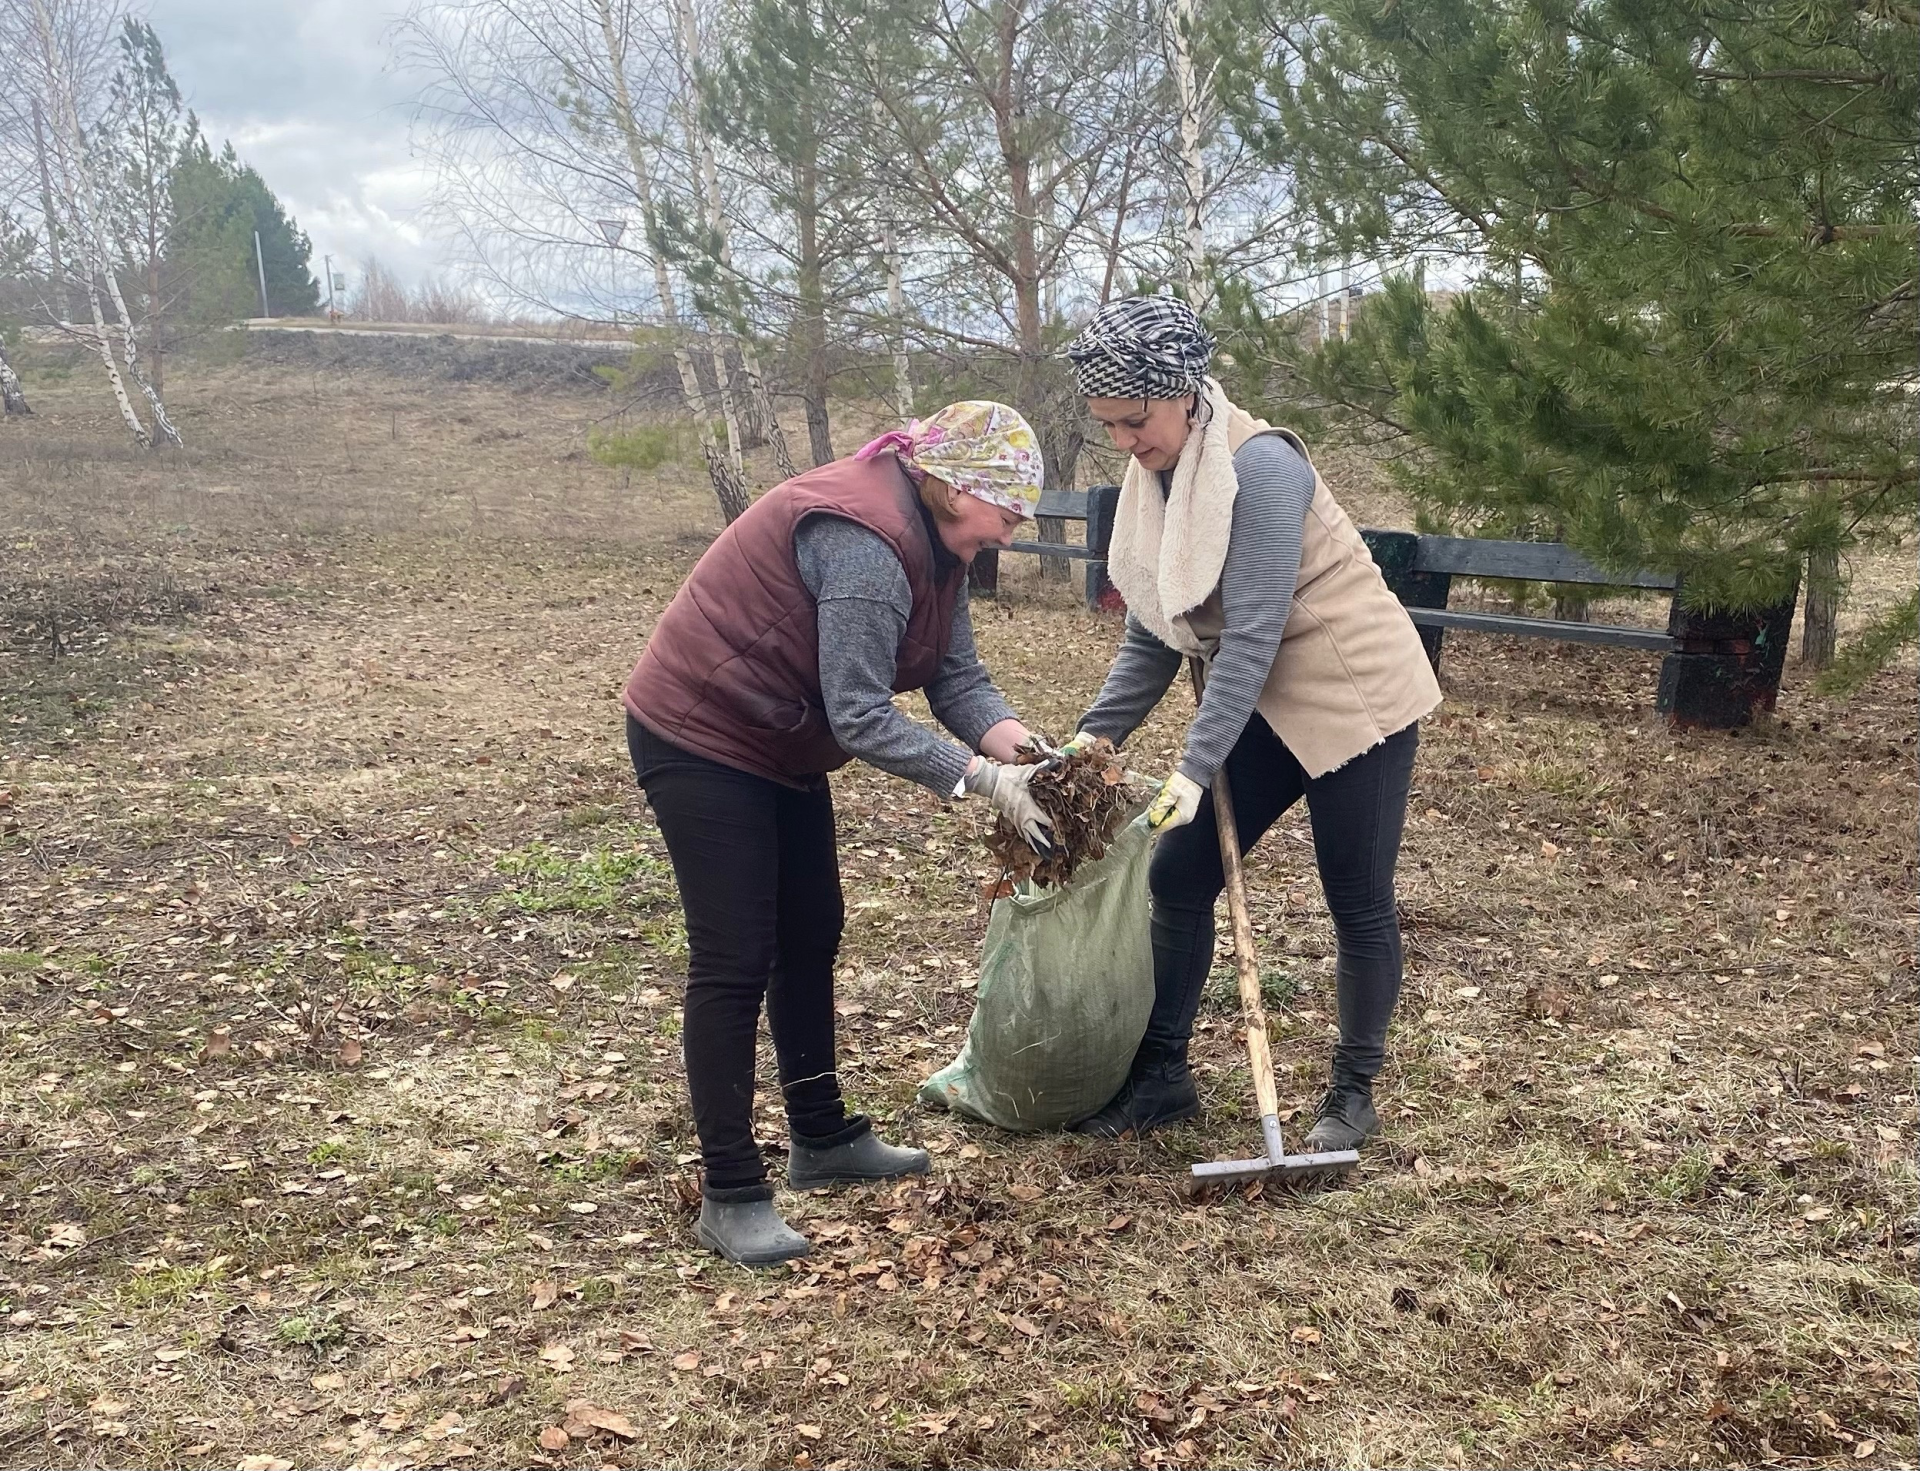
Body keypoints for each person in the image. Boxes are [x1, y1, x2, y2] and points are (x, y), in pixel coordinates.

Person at [622, 401, 1056, 1266]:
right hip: (704, 731)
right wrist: (980, 781)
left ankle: (820, 1136)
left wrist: (1032, 758)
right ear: (955, 486)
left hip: (780, 736)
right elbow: (859, 712)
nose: (1010, 532)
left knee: (812, 928)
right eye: (1005, 513)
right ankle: (732, 1189)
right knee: (735, 953)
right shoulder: (866, 539)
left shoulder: (940, 544)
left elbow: (957, 676)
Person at [1059, 296, 1442, 1150]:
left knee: (1356, 896)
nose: (1124, 440)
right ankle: (1161, 1077)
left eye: (1135, 420)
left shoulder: (1262, 467)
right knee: (1181, 874)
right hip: (1262, 698)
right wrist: (1095, 739)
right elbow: (1156, 631)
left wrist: (1193, 770)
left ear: (1184, 392)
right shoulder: (1156, 475)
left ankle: (1353, 1091)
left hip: (1355, 696)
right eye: (1108, 426)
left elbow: (1255, 631)